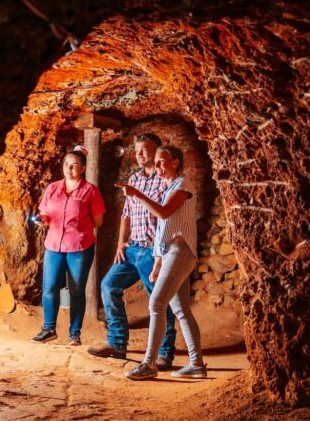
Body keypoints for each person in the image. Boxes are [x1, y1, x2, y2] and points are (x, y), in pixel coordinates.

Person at [87, 134, 177, 364]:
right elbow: (126, 215)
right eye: (137, 151)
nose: (140, 154)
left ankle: (165, 353)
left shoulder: (165, 181)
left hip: (152, 251)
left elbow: (168, 215)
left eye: (145, 150)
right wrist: (120, 244)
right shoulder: (134, 179)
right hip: (132, 249)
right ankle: (117, 344)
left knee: (158, 300)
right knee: (109, 285)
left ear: (157, 152)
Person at [121, 145, 206, 380]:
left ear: (175, 162)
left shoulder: (183, 185)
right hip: (170, 253)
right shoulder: (169, 188)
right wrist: (158, 262)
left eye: (161, 161)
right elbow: (162, 230)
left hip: (180, 251)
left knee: (156, 305)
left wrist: (137, 194)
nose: (157, 166)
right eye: (156, 162)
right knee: (180, 309)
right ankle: (196, 364)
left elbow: (164, 214)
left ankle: (149, 364)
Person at [33, 148, 105, 346]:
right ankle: (48, 329)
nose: (69, 168)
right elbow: (45, 213)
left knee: (76, 290)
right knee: (49, 288)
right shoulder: (52, 188)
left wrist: (79, 224)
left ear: (82, 169)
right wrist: (42, 219)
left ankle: (75, 334)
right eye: (66, 164)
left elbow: (98, 221)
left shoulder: (90, 191)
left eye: (74, 165)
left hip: (79, 246)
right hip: (54, 245)